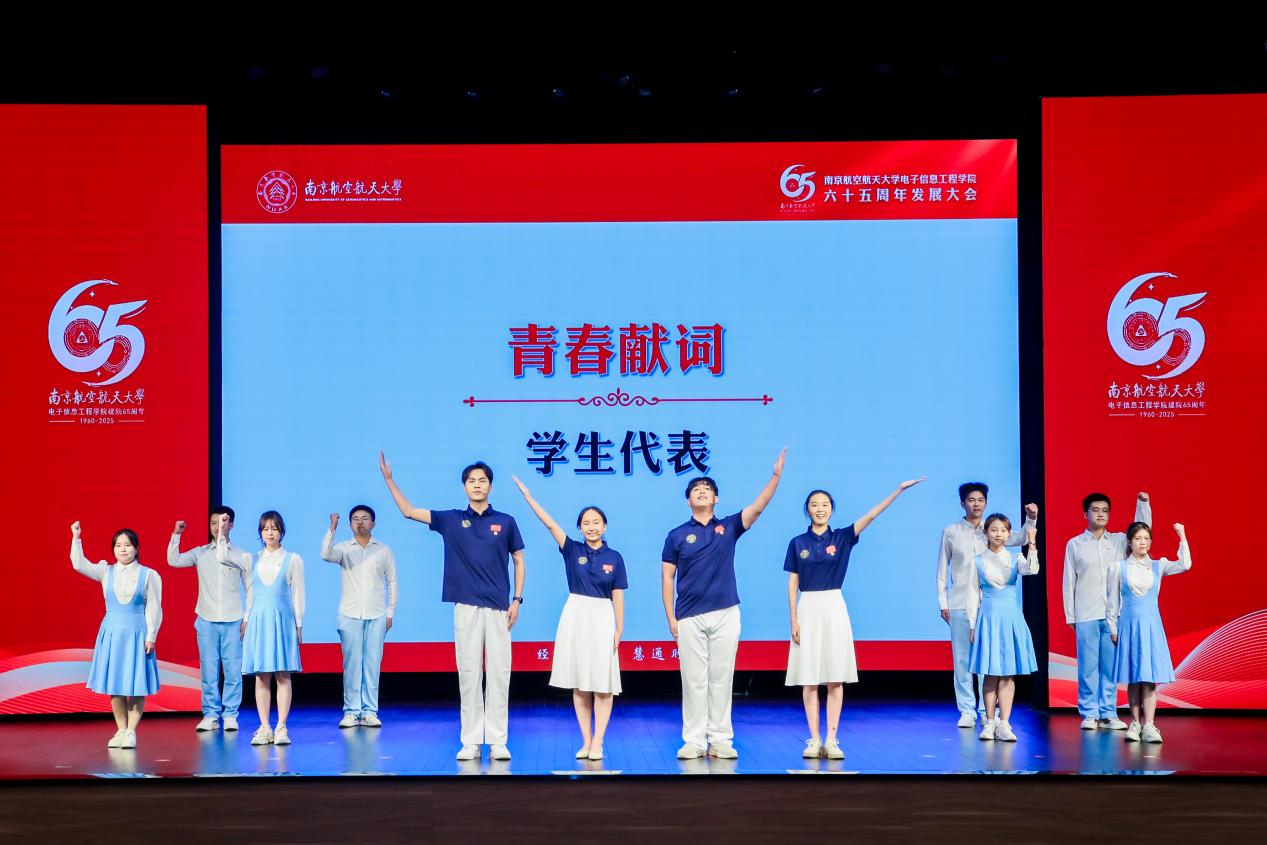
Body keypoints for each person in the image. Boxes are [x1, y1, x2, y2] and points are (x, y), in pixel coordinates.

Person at [380, 453, 525, 762]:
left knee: (499, 674)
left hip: (499, 608)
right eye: (471, 481)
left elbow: (519, 559)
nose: (477, 485)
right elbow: (408, 511)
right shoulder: (451, 519)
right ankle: (470, 741)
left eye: (482, 480)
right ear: (464, 487)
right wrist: (390, 480)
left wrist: (517, 599)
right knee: (469, 673)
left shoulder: (506, 521)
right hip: (465, 607)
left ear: (490, 486)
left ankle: (498, 741)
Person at [785, 478, 924, 759]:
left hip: (834, 606)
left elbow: (871, 516)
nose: (820, 509)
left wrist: (898, 490)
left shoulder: (842, 537)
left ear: (832, 509)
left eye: (825, 504)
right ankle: (813, 740)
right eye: (814, 505)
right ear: (807, 510)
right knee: (809, 678)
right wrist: (794, 620)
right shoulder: (797, 542)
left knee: (835, 677)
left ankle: (831, 740)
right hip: (808, 606)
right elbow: (793, 582)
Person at [662, 448, 787, 760]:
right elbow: (667, 578)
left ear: (716, 498)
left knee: (721, 678)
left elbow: (758, 507)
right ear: (688, 500)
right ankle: (693, 740)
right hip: (688, 615)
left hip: (726, 612)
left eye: (707, 488)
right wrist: (671, 618)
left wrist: (775, 477)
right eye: (696, 489)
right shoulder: (676, 535)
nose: (702, 491)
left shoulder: (729, 526)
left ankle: (720, 740)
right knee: (693, 681)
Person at [512, 476, 626, 761]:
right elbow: (550, 524)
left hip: (603, 617)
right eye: (586, 523)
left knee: (603, 683)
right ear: (579, 528)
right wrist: (529, 497)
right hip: (575, 614)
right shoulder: (572, 549)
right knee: (580, 681)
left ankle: (598, 741)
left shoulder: (615, 557)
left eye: (596, 522)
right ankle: (586, 741)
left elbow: (618, 595)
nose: (591, 526)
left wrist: (619, 628)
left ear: (605, 526)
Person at [936, 483, 1037, 727]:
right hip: (960, 601)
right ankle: (967, 710)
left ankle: (986, 709)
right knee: (962, 658)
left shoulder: (993, 529)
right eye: (971, 500)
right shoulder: (951, 531)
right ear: (963, 503)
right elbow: (942, 569)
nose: (976, 504)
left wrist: (1031, 519)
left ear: (986, 503)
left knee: (988, 658)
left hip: (991, 606)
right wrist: (943, 602)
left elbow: (1021, 537)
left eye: (980, 500)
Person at [1062, 492, 1151, 730]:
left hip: (1114, 615)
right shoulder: (1075, 544)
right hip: (1086, 613)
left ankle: (1109, 713)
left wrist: (1143, 504)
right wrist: (1071, 615)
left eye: (1105, 510)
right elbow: (1069, 582)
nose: (1101, 514)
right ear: (1086, 514)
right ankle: (1089, 713)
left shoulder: (1120, 541)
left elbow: (1142, 530)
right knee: (1088, 667)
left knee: (1111, 667)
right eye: (1095, 510)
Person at [70, 521, 162, 749]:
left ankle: (131, 732)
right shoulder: (106, 571)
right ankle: (121, 730)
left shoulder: (149, 574)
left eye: (128, 545)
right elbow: (79, 564)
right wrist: (76, 538)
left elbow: (154, 607)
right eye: (118, 545)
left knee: (137, 684)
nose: (123, 549)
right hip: (112, 633)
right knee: (116, 684)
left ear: (136, 548)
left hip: (137, 633)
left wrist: (151, 635)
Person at [1106, 521, 1191, 744]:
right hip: (1129, 625)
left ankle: (1150, 725)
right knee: (1134, 677)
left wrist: (1181, 535)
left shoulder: (1158, 565)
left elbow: (1185, 565)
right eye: (1138, 539)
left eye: (1146, 538)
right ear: (1129, 542)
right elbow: (1112, 602)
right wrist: (1113, 629)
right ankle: (1135, 724)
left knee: (1149, 677)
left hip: (1152, 626)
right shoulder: (1118, 567)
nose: (1142, 543)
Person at [167, 506, 251, 732]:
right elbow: (173, 560)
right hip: (206, 618)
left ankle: (230, 714)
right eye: (213, 523)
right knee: (209, 671)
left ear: (231, 525)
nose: (217, 527)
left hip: (233, 619)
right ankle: (211, 714)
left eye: (222, 522)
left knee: (233, 671)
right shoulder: (201, 553)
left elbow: (250, 588)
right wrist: (176, 535)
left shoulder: (241, 555)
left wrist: (247, 618)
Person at [232, 511, 305, 747]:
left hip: (282, 619)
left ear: (281, 531)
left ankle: (281, 727)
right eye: (265, 529)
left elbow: (298, 594)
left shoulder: (293, 559)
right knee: (261, 675)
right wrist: (222, 531)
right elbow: (249, 592)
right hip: (259, 620)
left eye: (274, 528)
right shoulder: (250, 559)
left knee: (283, 674)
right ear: (260, 532)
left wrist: (299, 625)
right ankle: (264, 727)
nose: (270, 533)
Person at [322, 505, 398, 728]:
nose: (360, 522)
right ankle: (351, 711)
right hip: (349, 613)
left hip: (377, 613)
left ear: (373, 524)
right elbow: (325, 554)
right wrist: (332, 529)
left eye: (365, 518)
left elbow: (392, 582)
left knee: (373, 664)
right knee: (352, 664)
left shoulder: (383, 550)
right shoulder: (344, 549)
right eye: (355, 519)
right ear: (350, 524)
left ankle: (370, 711)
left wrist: (390, 612)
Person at [967, 515, 1040, 742]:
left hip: (1010, 617)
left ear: (1009, 534)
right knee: (990, 673)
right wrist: (972, 625)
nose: (999, 534)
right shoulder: (977, 561)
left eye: (1003, 530)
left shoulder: (1015, 557)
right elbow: (972, 595)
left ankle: (1004, 723)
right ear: (986, 533)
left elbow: (1032, 570)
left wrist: (1032, 543)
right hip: (988, 617)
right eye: (994, 529)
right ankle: (990, 722)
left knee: (1008, 674)